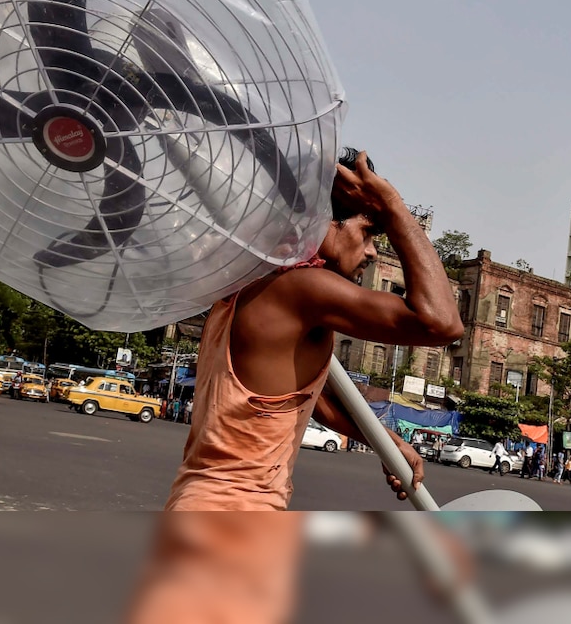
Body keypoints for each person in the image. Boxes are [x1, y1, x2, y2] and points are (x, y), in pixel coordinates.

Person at [161, 148, 463, 511]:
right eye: (367, 232)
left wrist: (387, 440)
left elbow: (311, 401)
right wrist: (392, 206)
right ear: (324, 220)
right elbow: (442, 323)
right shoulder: (304, 289)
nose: (370, 253)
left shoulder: (247, 286)